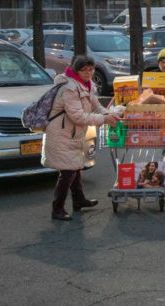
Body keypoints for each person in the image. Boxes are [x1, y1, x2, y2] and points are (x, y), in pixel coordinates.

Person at [42, 55, 119, 221]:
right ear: (76, 70)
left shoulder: (86, 84)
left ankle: (79, 200)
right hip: (61, 134)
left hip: (74, 133)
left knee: (75, 167)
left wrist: (108, 114)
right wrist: (104, 119)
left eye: (91, 69)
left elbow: (95, 105)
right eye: (84, 70)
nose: (88, 73)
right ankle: (57, 208)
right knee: (68, 171)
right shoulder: (69, 87)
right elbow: (78, 116)